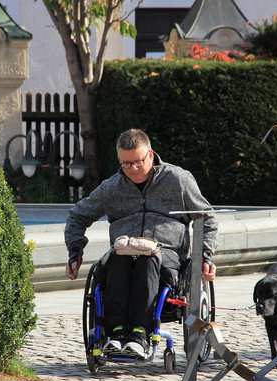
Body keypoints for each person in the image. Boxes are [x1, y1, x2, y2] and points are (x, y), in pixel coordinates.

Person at [64, 129, 218, 358]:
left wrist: (205, 255)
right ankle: (115, 333)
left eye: (138, 162)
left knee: (147, 258)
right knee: (117, 259)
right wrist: (75, 251)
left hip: (165, 253)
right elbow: (77, 216)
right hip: (124, 249)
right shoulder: (111, 187)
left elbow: (206, 217)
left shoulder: (178, 180)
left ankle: (139, 334)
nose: (132, 169)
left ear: (151, 154)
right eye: (126, 164)